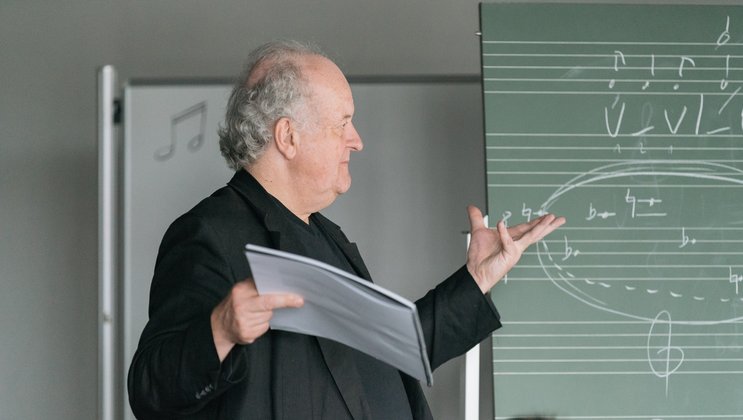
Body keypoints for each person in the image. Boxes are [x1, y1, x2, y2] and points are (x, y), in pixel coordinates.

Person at [127, 40, 565, 419]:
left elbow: (394, 348)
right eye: (342, 124)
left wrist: (477, 279)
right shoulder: (208, 233)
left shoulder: (327, 236)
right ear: (288, 137)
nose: (356, 140)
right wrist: (219, 330)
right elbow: (151, 393)